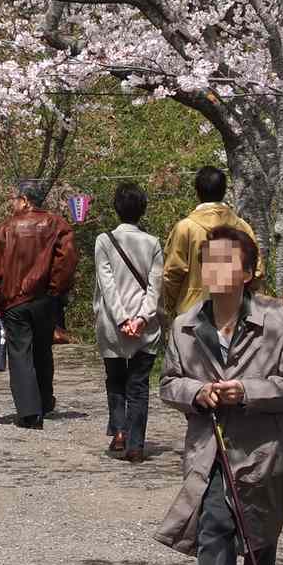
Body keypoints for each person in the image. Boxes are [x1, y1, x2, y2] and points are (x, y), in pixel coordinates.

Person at [159, 225, 283, 565]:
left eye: (227, 261)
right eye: (209, 261)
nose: (216, 269)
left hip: (266, 450)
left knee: (259, 528)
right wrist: (197, 392)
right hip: (210, 449)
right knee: (215, 528)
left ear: (248, 271)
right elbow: (168, 383)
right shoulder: (185, 325)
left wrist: (245, 391)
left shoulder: (279, 321)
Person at [0, 178, 78, 429]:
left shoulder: (7, 228)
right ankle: (45, 401)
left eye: (15, 199)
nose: (13, 204)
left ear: (24, 200)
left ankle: (28, 411)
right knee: (43, 349)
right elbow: (66, 261)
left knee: (20, 353)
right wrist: (55, 290)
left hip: (14, 300)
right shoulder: (57, 224)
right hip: (45, 298)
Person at [94, 181, 163, 462]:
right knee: (139, 384)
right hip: (144, 329)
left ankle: (119, 431)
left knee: (115, 380)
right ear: (142, 210)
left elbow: (106, 284)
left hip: (112, 325)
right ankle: (136, 444)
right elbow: (155, 287)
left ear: (117, 209)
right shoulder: (153, 243)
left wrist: (123, 319)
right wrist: (141, 318)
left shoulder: (104, 240)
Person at [159, 165, 262, 321]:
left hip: (192, 314)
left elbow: (173, 273)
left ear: (197, 192)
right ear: (224, 190)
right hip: (236, 314)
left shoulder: (185, 228)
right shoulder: (242, 227)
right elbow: (257, 272)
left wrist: (171, 305)